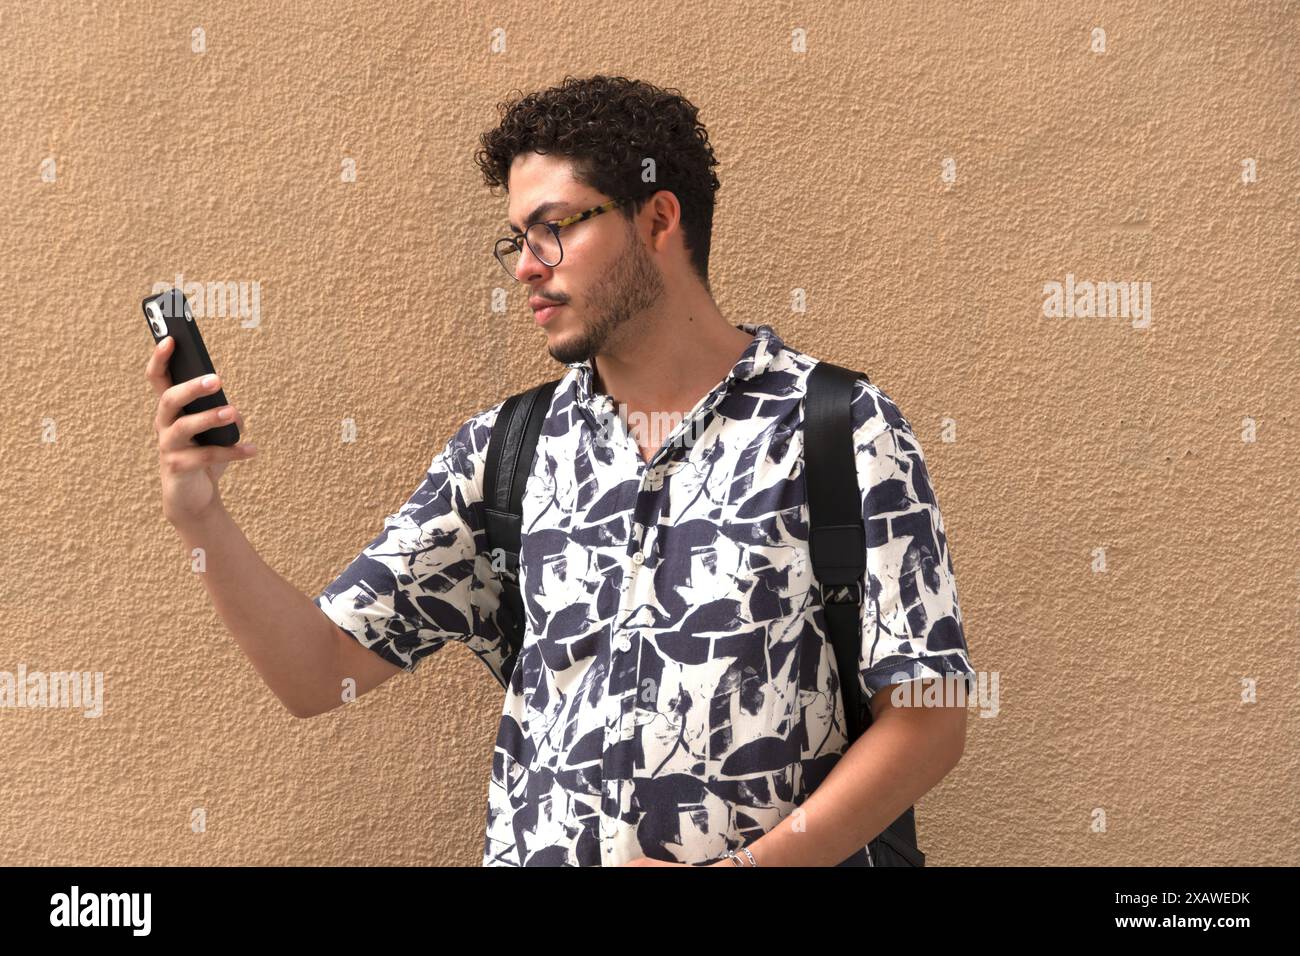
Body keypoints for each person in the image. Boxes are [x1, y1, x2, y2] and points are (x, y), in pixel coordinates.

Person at [147, 74, 976, 867]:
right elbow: (317, 673)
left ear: (658, 219)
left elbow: (929, 719)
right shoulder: (504, 452)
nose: (526, 267)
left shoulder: (836, 429)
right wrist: (200, 516)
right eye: (516, 238)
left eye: (555, 228)